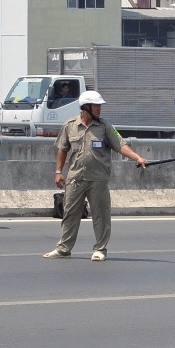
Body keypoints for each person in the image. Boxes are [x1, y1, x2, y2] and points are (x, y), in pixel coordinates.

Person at [43, 90, 148, 261]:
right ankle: (63, 249)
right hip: (75, 179)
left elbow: (120, 145)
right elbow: (62, 149)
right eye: (96, 106)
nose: (100, 109)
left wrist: (138, 157)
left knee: (101, 215)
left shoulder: (105, 127)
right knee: (70, 214)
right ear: (85, 107)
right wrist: (58, 172)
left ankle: (100, 249)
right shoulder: (70, 125)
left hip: (98, 179)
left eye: (100, 106)